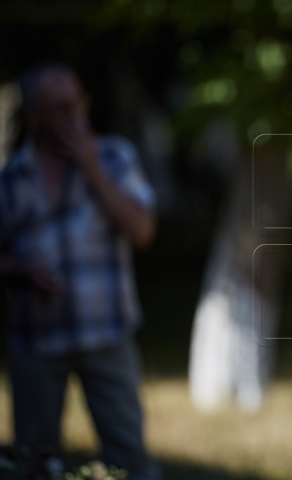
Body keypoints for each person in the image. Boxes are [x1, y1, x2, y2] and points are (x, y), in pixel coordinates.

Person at [0, 63, 160, 479]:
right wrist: (18, 272)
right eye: (60, 108)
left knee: (130, 460)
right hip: (35, 340)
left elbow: (142, 229)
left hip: (106, 332)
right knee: (35, 463)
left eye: (78, 103)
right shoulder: (12, 177)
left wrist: (92, 169)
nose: (75, 115)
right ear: (33, 116)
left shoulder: (114, 156)